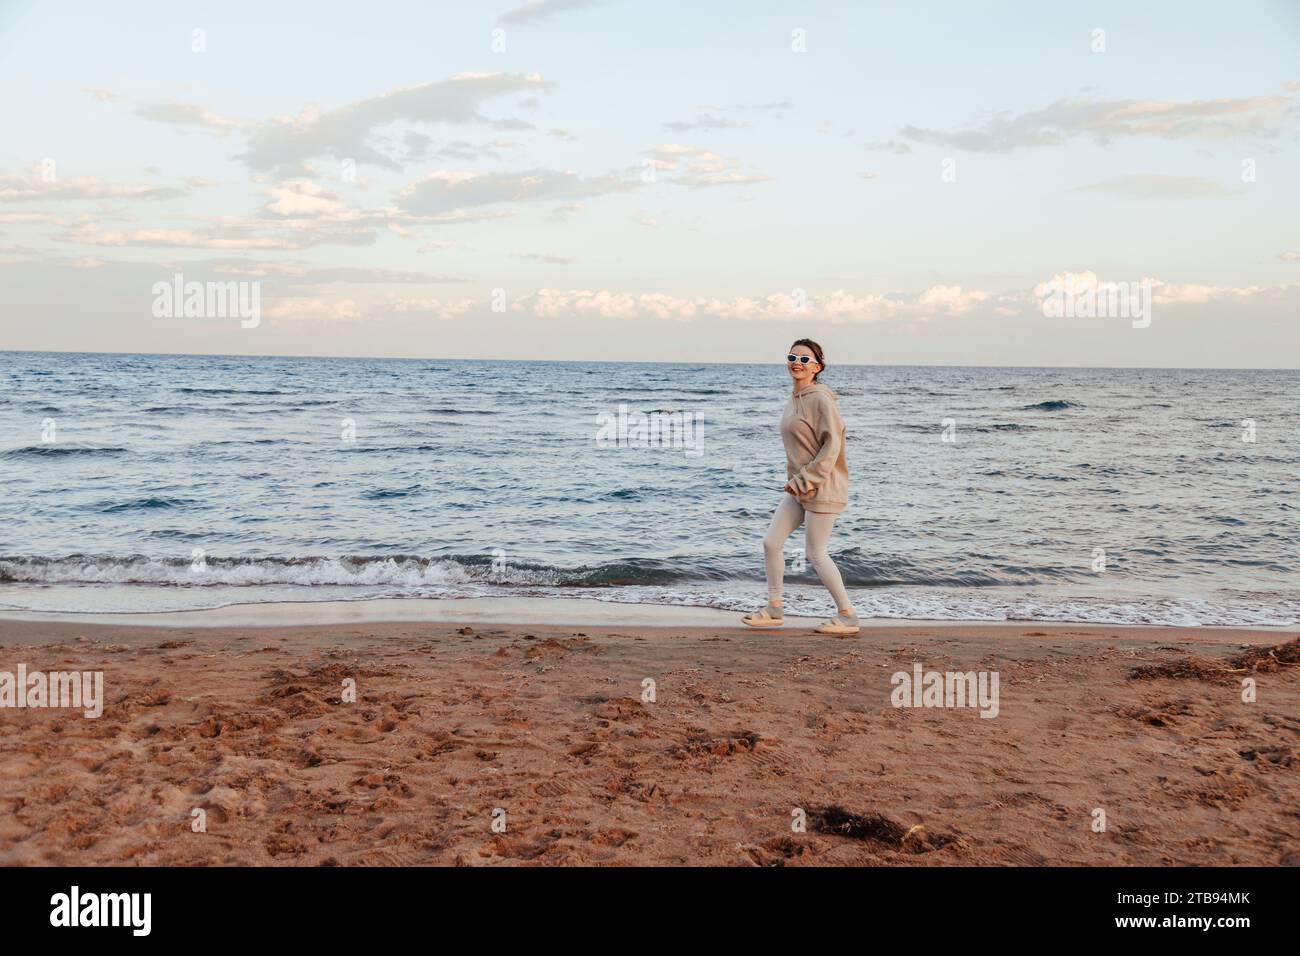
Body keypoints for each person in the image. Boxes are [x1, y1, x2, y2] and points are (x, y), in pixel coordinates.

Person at [742, 339, 859, 635]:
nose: (797, 362)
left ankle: (848, 616)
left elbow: (832, 446)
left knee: (816, 553)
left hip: (823, 486)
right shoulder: (795, 398)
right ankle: (774, 608)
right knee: (771, 543)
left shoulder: (820, 399)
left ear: (817, 367)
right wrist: (799, 482)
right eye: (793, 357)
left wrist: (806, 479)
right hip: (799, 487)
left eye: (805, 359)